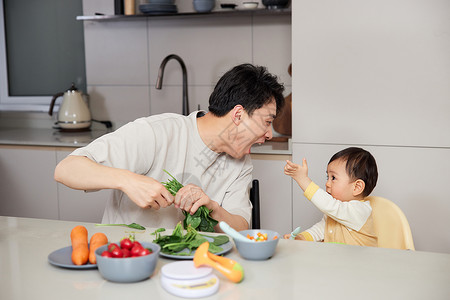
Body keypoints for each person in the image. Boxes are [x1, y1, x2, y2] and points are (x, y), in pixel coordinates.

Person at [54, 63, 285, 232]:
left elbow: (242, 228)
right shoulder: (157, 132)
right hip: (126, 259)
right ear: (238, 114)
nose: (269, 134)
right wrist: (128, 180)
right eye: (267, 121)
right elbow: (66, 169)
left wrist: (213, 208)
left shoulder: (241, 161)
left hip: (189, 268)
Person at [283, 147, 378, 246]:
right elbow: (321, 229)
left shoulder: (360, 211)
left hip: (362, 261)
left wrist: (303, 179)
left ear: (357, 187)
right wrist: (302, 237)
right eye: (327, 177)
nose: (327, 183)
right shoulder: (334, 212)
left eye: (333, 178)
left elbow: (329, 205)